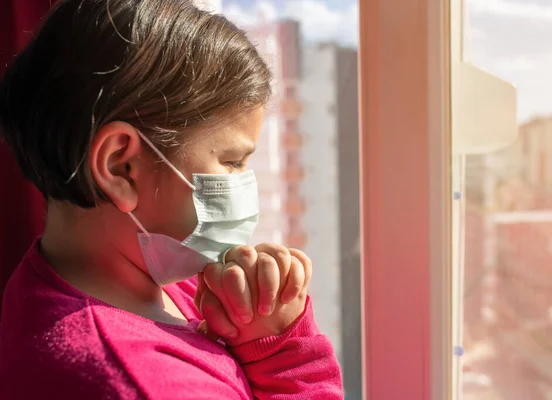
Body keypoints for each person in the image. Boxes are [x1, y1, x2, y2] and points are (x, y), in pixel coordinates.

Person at [0, 0, 343, 399]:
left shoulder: (119, 276)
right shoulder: (145, 383)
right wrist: (285, 354)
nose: (247, 186)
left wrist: (260, 338)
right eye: (231, 161)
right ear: (120, 168)